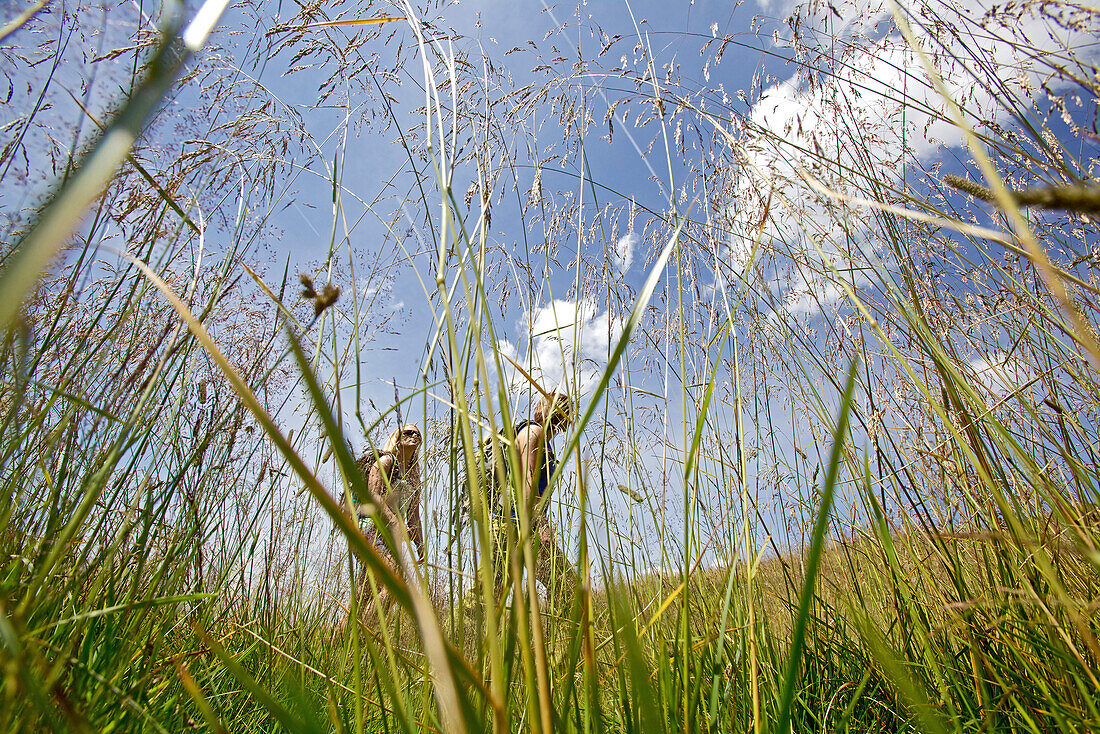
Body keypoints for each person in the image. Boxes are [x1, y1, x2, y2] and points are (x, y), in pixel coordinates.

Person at [491, 391, 578, 610]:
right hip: (516, 524)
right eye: (559, 405)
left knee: (489, 592)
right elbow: (528, 483)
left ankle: (555, 638)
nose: (564, 411)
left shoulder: (538, 437)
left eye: (567, 408)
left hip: (511, 522)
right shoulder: (534, 432)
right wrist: (542, 526)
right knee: (568, 587)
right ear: (541, 409)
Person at [341, 423, 423, 630]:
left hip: (392, 536)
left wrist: (420, 542)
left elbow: (414, 513)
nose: (414, 435)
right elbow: (373, 495)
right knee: (394, 583)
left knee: (366, 591)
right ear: (397, 437)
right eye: (408, 432)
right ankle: (359, 636)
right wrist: (396, 522)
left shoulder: (414, 476)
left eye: (417, 434)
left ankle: (338, 636)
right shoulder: (386, 461)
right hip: (371, 528)